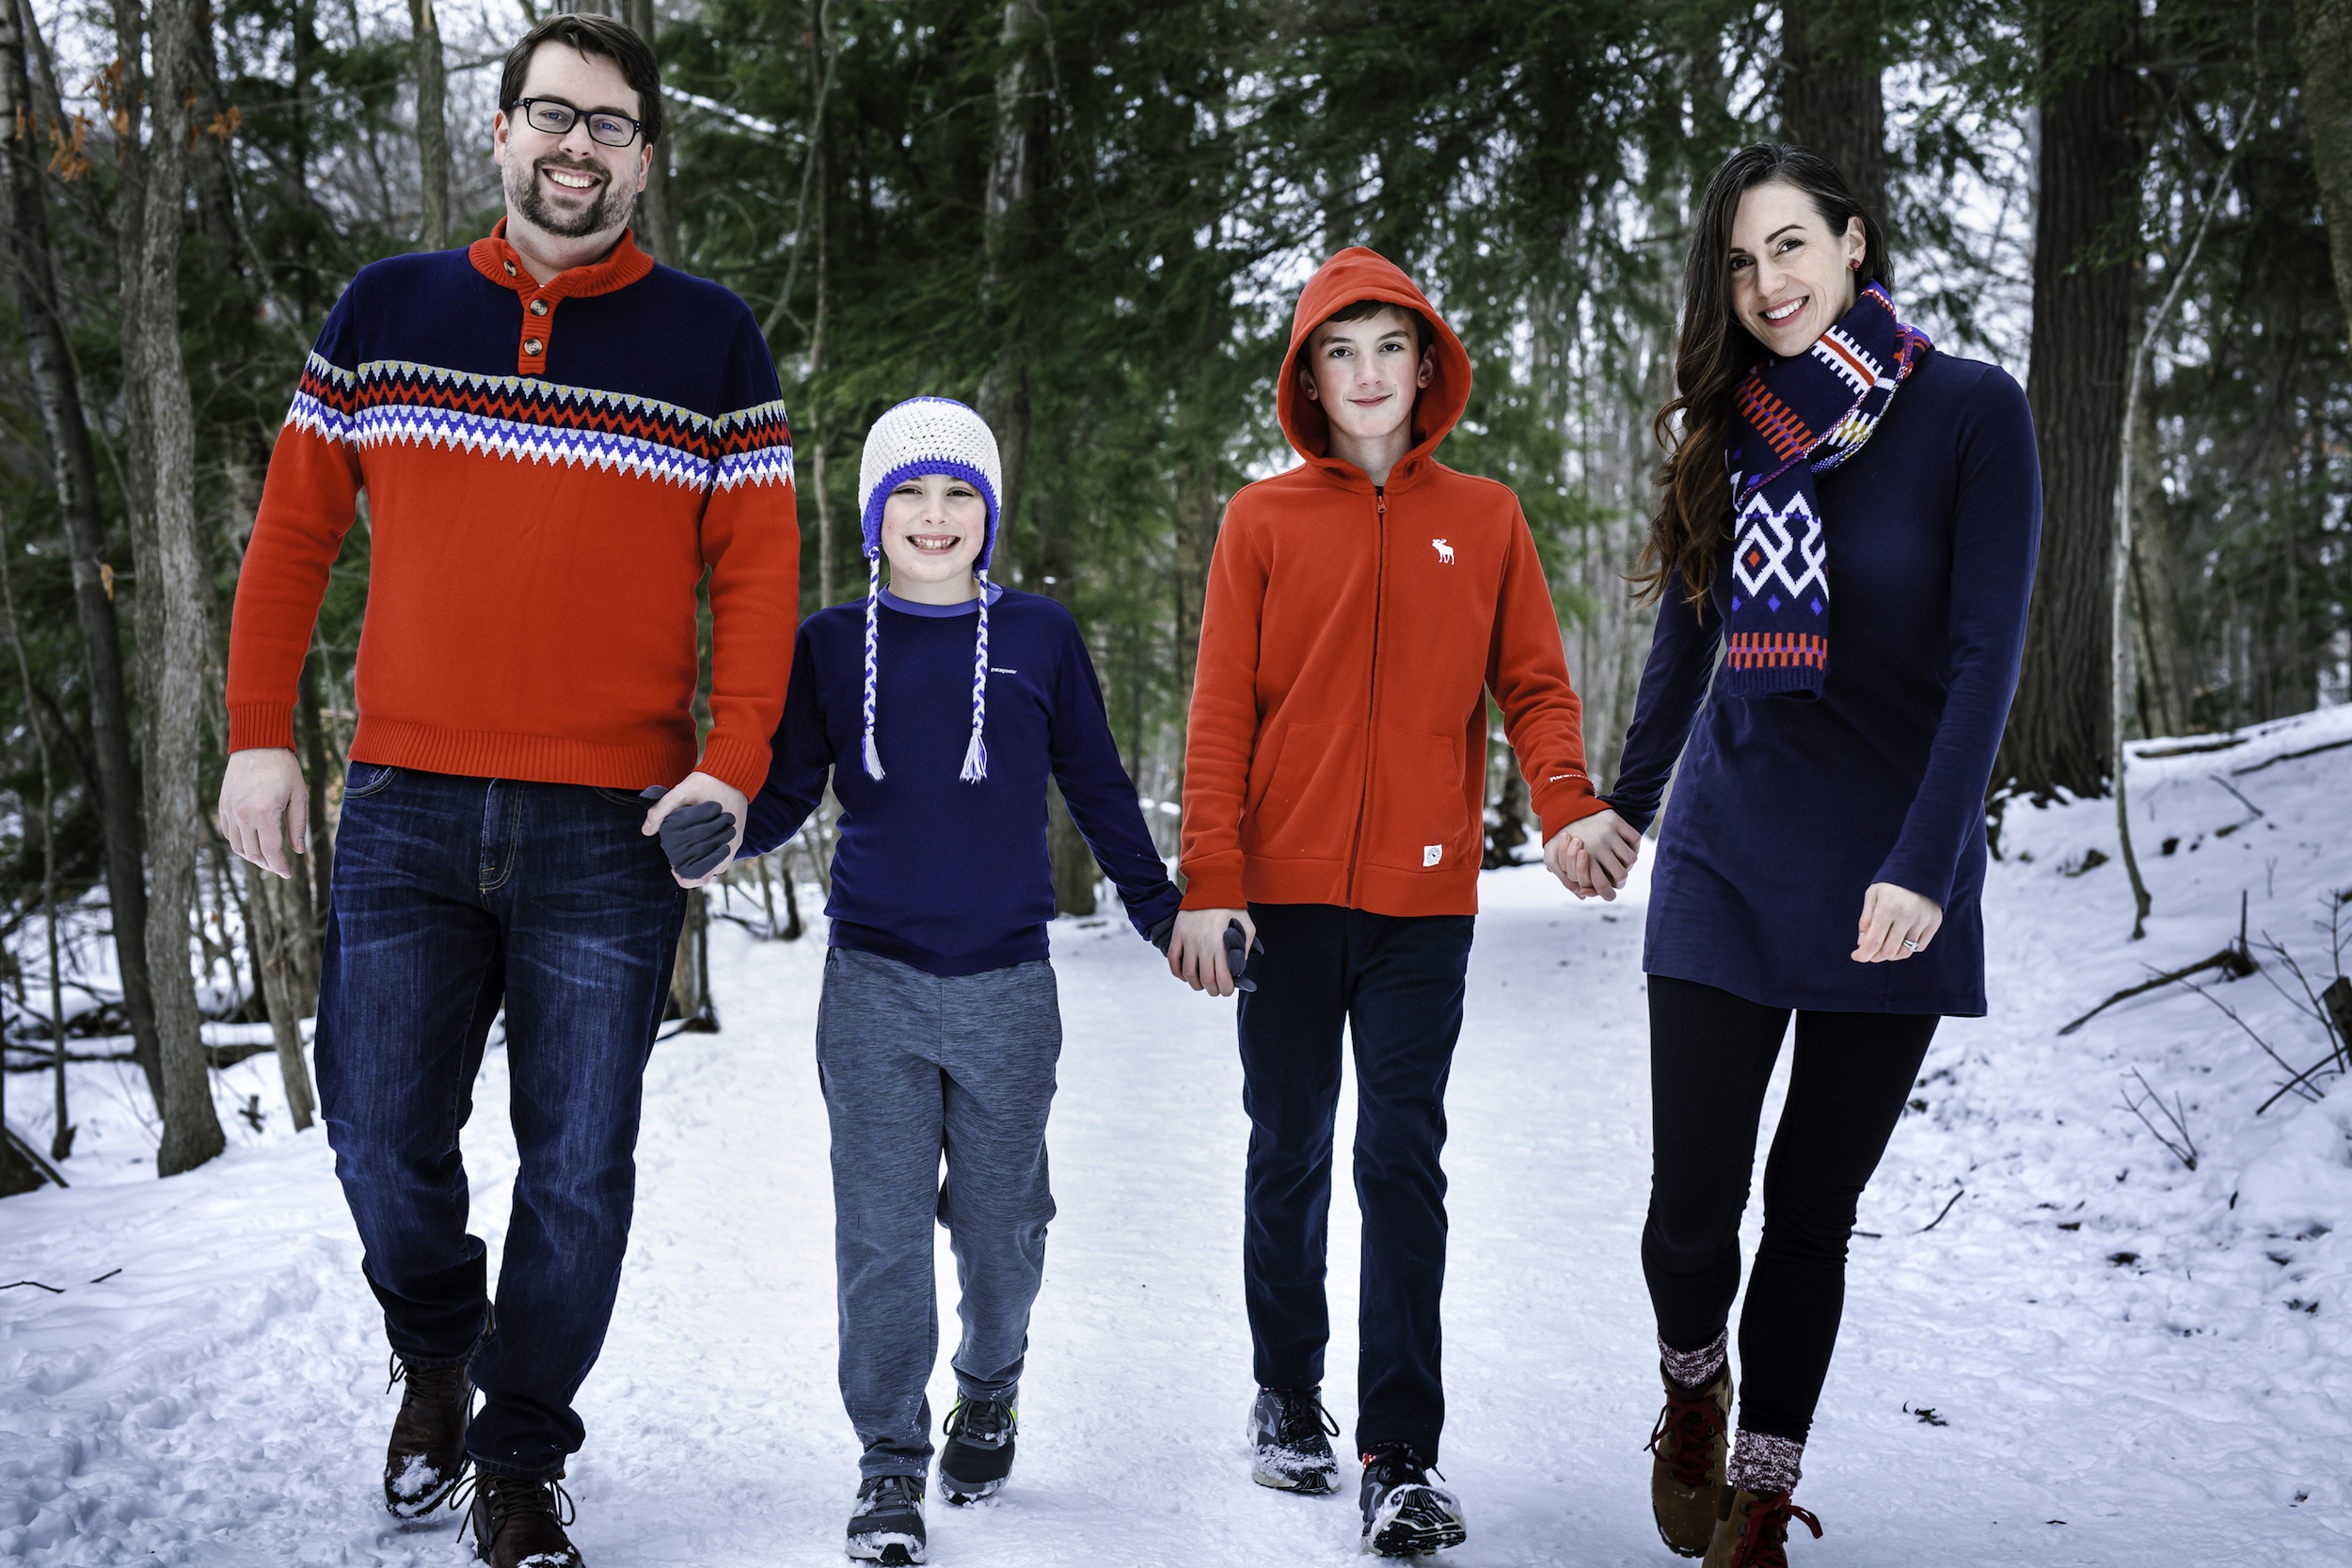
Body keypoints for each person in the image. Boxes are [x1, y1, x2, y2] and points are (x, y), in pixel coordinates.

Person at [215, 15, 799, 1567]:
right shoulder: (384, 311)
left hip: (614, 824)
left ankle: (523, 1451)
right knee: (375, 1129)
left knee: (580, 1163)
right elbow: (289, 537)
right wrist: (256, 731)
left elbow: (756, 571)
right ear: (500, 131)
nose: (577, 146)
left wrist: (730, 766)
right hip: (403, 798)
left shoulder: (711, 339)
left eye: (610, 125)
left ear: (646, 159)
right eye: (553, 114)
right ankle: (438, 1352)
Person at [1555, 145, 2040, 1567]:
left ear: (1852, 242)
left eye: (1789, 248)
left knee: (1811, 1211)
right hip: (1732, 848)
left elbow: (1985, 658)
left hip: (1894, 866)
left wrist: (1928, 859)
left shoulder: (1969, 412)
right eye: (1740, 263)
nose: (1767, 285)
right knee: (1689, 1209)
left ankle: (1761, 1495)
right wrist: (1624, 803)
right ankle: (1693, 1386)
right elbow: (1687, 634)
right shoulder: (1737, 427)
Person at [1168, 247, 1612, 1559]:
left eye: (1390, 346)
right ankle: (1286, 1390)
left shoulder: (1484, 517)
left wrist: (1568, 799)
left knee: (1400, 1155)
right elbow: (1219, 715)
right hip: (1286, 904)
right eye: (1340, 350)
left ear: (1428, 365)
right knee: (1292, 1141)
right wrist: (1213, 882)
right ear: (1311, 376)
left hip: (1426, 905)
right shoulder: (1260, 520)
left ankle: (1400, 1451)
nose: (1368, 373)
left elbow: (1532, 682)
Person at [736, 398, 1182, 1566]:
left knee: (1002, 1228)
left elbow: (1096, 786)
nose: (935, 517)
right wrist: (714, 824)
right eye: (911, 497)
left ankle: (991, 1381)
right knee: (881, 1234)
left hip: (1006, 989)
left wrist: (1165, 913)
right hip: (872, 981)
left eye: (959, 496)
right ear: (878, 515)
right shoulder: (831, 643)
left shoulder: (1037, 635)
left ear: (988, 512)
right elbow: (781, 794)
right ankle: (889, 1461)